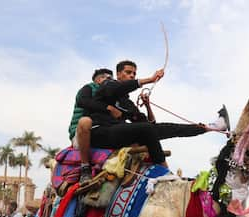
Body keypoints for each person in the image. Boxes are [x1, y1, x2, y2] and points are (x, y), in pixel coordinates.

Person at [87, 60, 229, 168]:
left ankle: (211, 127)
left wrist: (147, 106)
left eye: (134, 74)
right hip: (100, 133)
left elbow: (150, 126)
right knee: (147, 130)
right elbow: (120, 88)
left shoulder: (127, 103)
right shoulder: (108, 85)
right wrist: (150, 79)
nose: (132, 75)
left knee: (163, 128)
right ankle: (163, 170)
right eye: (128, 72)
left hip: (117, 135)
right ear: (118, 74)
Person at [68, 68, 117, 182]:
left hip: (101, 131)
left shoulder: (110, 95)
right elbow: (83, 101)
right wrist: (108, 108)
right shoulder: (88, 88)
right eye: (109, 78)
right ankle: (85, 167)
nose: (112, 81)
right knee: (85, 121)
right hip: (82, 132)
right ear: (99, 80)